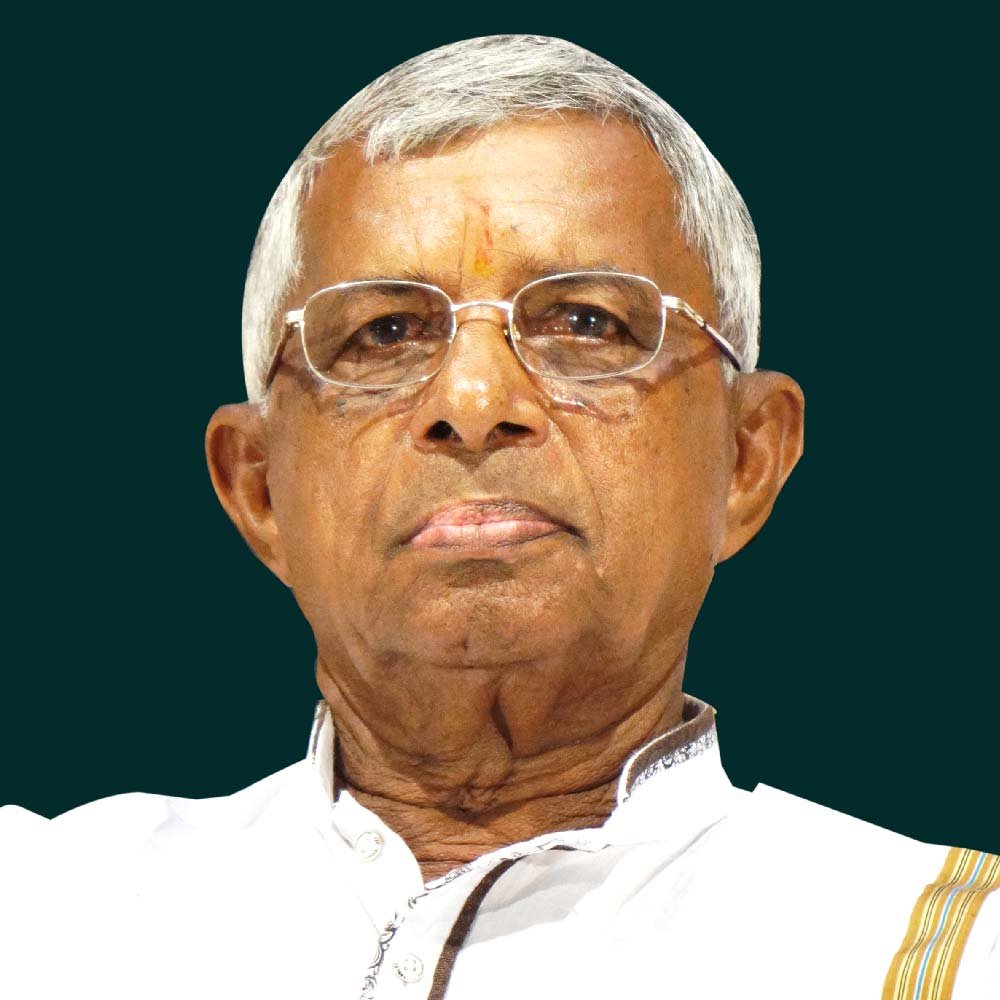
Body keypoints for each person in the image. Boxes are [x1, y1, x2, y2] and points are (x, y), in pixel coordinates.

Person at [1, 34, 996, 1000]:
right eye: (385, 331)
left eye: (587, 322)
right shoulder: (44, 918)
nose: (474, 399)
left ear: (746, 457)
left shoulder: (942, 953)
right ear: (259, 487)